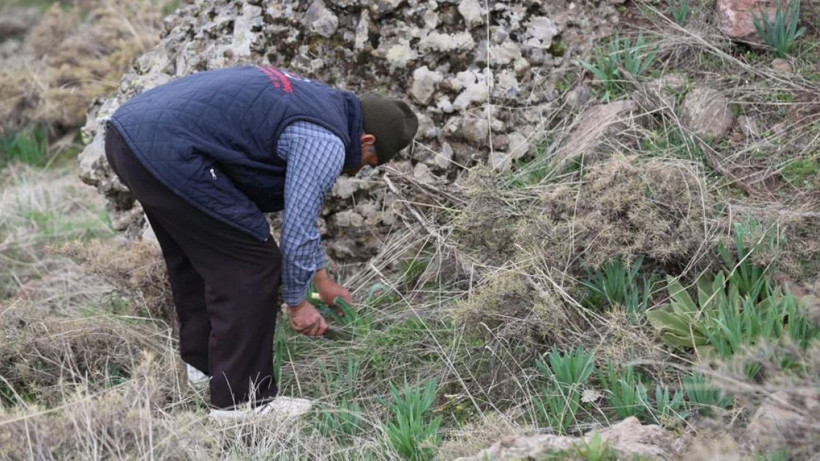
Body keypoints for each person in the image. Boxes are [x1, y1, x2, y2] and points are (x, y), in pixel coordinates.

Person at [103, 65, 418, 418]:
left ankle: (204, 367)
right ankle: (241, 404)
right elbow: (297, 231)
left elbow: (304, 210)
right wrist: (298, 304)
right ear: (367, 141)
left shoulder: (319, 100)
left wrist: (320, 279)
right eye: (370, 162)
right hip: (169, 149)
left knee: (196, 257)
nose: (359, 170)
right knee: (252, 263)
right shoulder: (326, 141)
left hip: (128, 135)